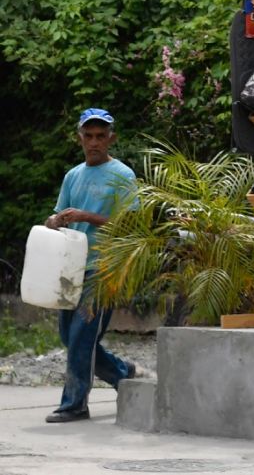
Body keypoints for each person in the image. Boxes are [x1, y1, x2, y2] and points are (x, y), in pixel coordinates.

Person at [43, 108, 139, 423]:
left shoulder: (122, 175)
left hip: (104, 270)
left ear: (112, 138)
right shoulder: (73, 176)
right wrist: (55, 221)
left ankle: (74, 404)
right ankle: (123, 373)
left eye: (101, 136)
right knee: (68, 337)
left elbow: (130, 225)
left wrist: (86, 216)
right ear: (79, 138)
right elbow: (56, 217)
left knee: (82, 338)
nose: (94, 142)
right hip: (71, 268)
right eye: (89, 136)